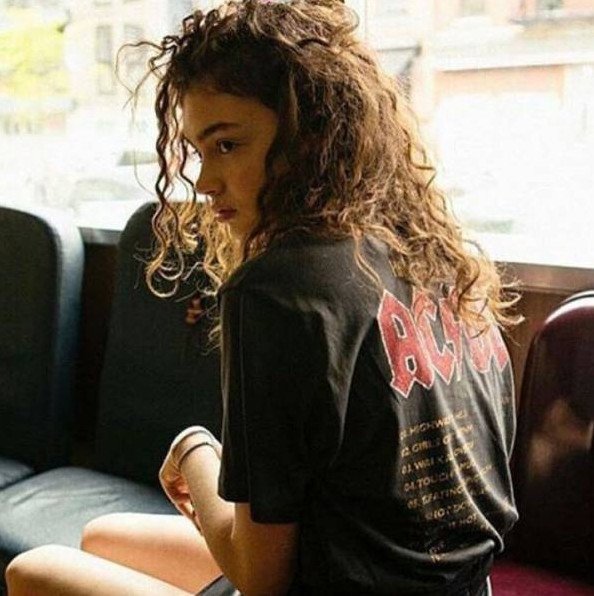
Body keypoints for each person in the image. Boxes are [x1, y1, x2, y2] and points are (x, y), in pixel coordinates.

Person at [5, 0, 521, 594]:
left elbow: (261, 579)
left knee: (32, 571)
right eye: (199, 152)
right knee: (104, 535)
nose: (204, 181)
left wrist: (195, 451)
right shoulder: (441, 257)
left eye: (227, 145)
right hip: (457, 586)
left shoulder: (275, 290)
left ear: (312, 138)